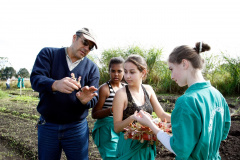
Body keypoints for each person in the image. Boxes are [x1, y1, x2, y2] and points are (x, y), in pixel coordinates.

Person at [133, 42, 231, 159]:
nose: (171, 76)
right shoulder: (217, 95)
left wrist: (150, 124)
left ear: (184, 63)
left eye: (171, 69)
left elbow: (179, 149)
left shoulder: (187, 101)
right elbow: (221, 132)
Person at [30, 27, 100, 160]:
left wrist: (85, 100)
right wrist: (55, 84)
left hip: (76, 128)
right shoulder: (49, 54)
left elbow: (93, 98)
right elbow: (35, 79)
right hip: (48, 125)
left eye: (90, 47)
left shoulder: (92, 68)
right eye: (85, 42)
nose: (86, 48)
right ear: (74, 38)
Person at [112, 54, 171, 160]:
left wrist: (181, 119)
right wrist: (132, 118)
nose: (127, 76)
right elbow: (116, 128)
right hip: (129, 145)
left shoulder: (148, 90)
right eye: (125, 71)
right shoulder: (121, 94)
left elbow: (161, 115)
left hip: (147, 144)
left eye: (132, 72)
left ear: (143, 73)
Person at [92, 57, 125, 160]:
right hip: (107, 129)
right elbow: (95, 114)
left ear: (124, 72)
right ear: (109, 71)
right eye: (113, 71)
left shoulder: (125, 88)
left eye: (119, 71)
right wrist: (112, 109)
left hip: (122, 127)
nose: (116, 74)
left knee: (122, 155)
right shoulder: (104, 89)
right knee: (111, 157)